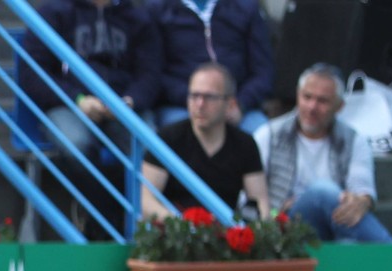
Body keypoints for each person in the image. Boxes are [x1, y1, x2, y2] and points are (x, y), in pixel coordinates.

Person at [253, 63, 392, 243]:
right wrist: (276, 211)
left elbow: (362, 188)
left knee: (348, 244)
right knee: (323, 192)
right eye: (307, 97)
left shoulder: (354, 140)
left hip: (334, 225)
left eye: (322, 101)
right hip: (284, 228)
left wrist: (359, 202)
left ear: (340, 106)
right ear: (297, 95)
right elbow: (249, 201)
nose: (312, 107)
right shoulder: (269, 135)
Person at [20, 0, 162, 165]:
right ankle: (99, 192)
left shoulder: (138, 18)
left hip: (125, 107)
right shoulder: (53, 13)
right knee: (78, 145)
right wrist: (78, 99)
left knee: (152, 150)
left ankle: (133, 191)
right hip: (68, 105)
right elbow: (32, 73)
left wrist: (130, 101)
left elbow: (150, 73)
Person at [140, 63, 267, 219]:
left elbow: (260, 202)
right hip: (174, 235)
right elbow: (145, 200)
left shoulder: (245, 144)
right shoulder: (167, 138)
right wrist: (181, 226)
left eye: (209, 97)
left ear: (230, 104)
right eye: (194, 96)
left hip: (224, 234)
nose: (199, 104)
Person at [152, 0, 273, 134]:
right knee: (182, 140)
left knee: (263, 135)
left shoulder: (245, 7)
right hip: (183, 106)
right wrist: (198, 100)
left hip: (238, 106)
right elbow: (153, 73)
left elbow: (263, 71)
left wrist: (239, 104)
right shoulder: (159, 10)